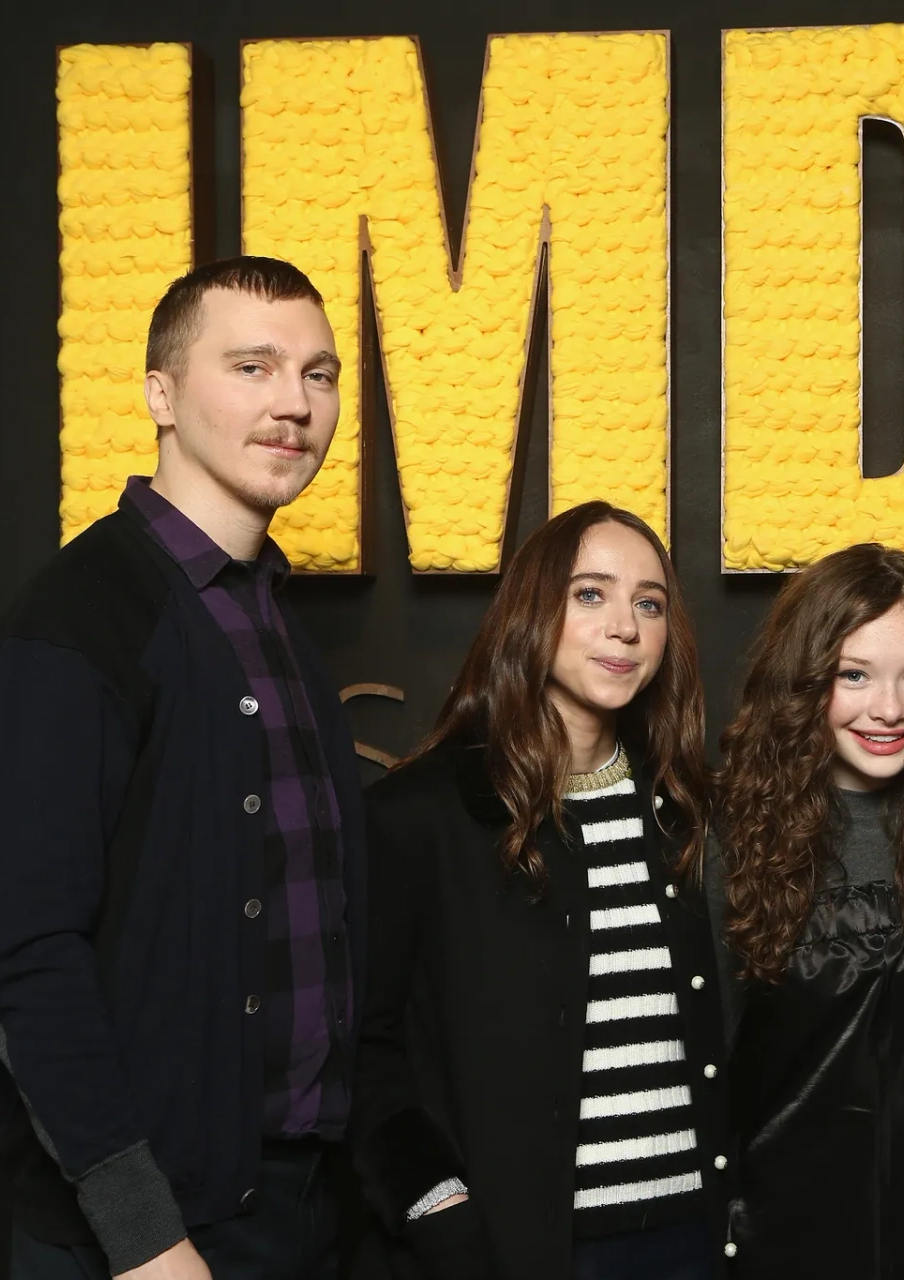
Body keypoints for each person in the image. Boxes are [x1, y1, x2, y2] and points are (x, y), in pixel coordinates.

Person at [0, 256, 367, 1280]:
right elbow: (25, 956)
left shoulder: (274, 624)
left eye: (319, 375)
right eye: (253, 365)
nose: (293, 403)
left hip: (290, 1213)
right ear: (161, 393)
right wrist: (143, 1231)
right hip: (148, 1242)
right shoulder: (74, 623)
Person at [352, 502, 728, 1280]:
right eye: (589, 594)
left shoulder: (692, 813)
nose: (624, 626)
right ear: (531, 611)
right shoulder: (421, 814)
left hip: (690, 1239)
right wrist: (432, 1202)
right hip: (515, 1248)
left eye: (649, 603)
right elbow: (358, 1044)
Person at [708, 544, 904, 1278]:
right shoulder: (722, 841)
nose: (890, 709)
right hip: (772, 1247)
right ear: (805, 683)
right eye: (854, 675)